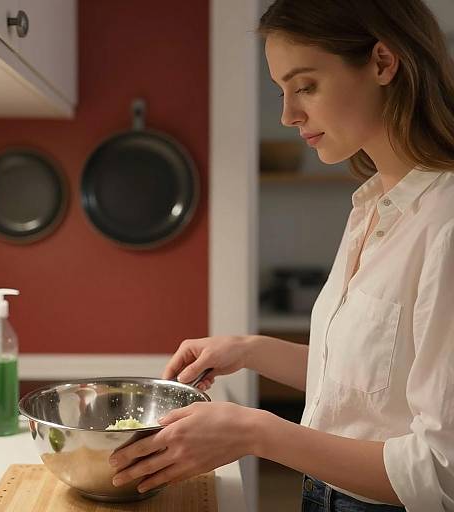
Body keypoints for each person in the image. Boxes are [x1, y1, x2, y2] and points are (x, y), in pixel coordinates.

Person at [108, 1, 454, 510]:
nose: (288, 115)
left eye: (306, 86)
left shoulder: (444, 221)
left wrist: (256, 433)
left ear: (383, 63)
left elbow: (439, 473)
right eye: (283, 91)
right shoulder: (373, 206)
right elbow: (372, 388)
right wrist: (248, 350)